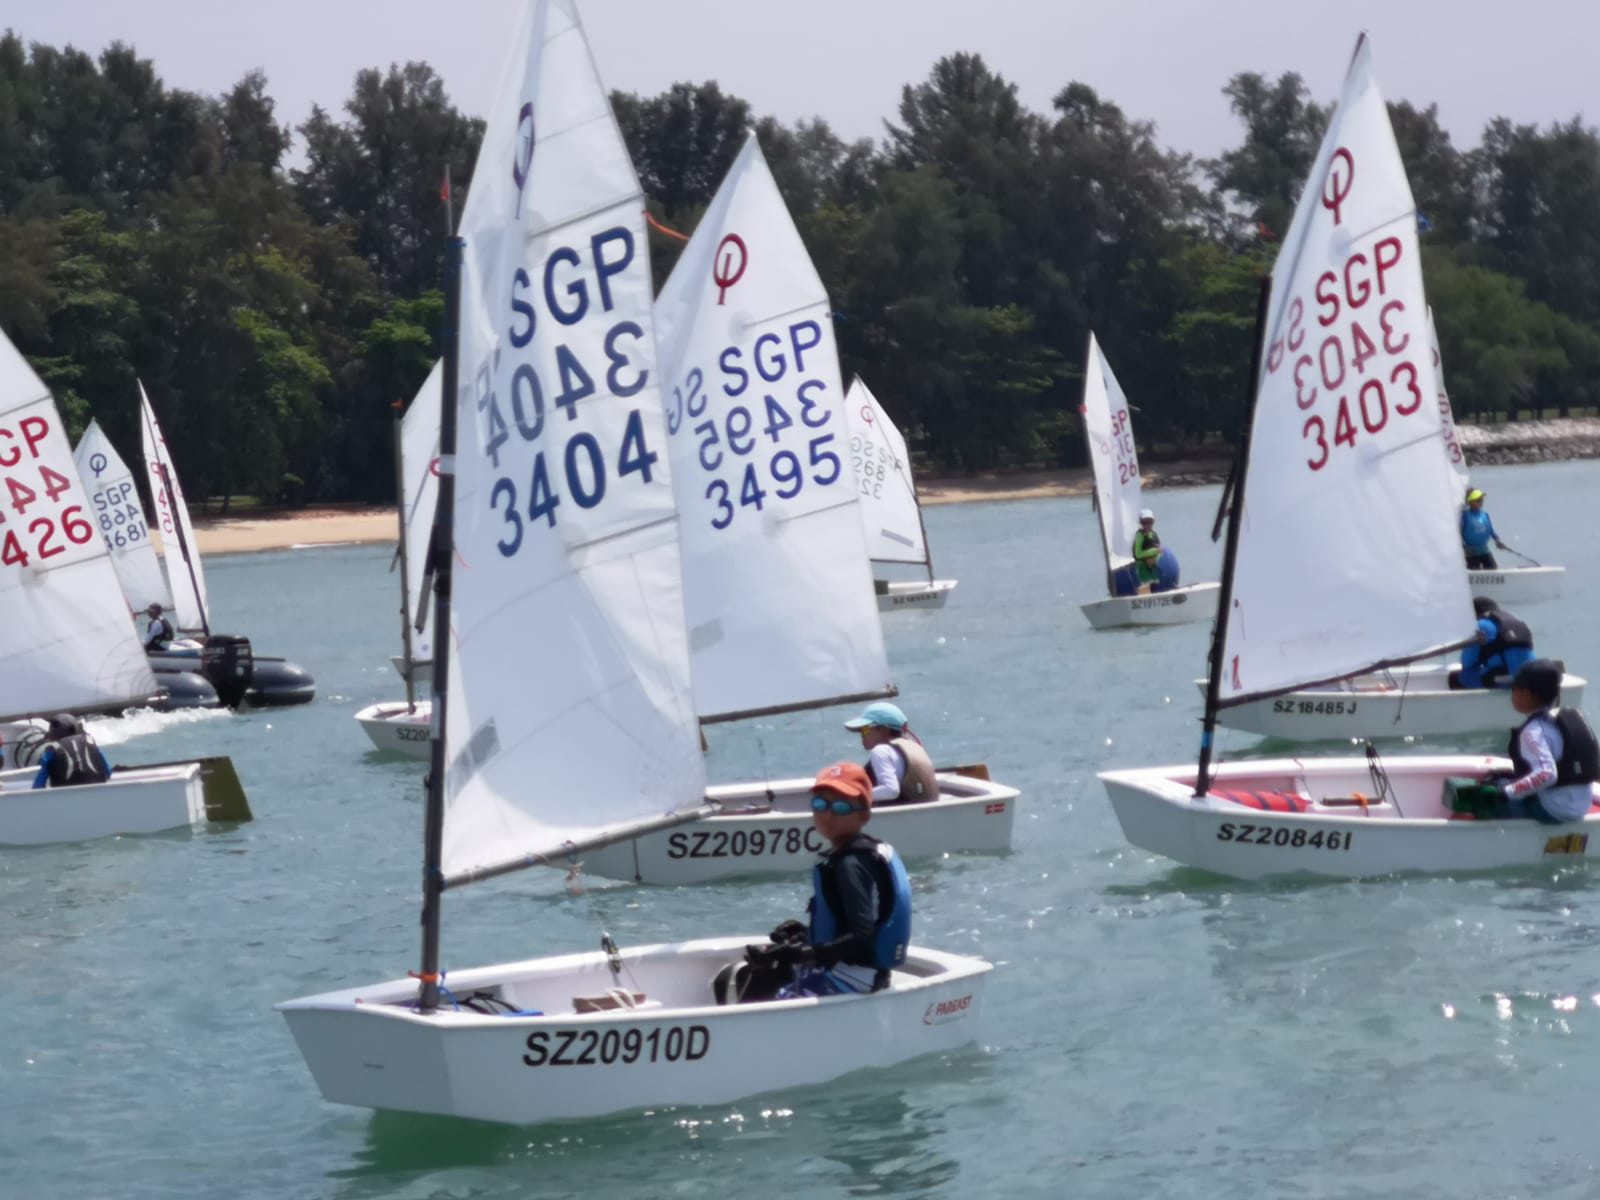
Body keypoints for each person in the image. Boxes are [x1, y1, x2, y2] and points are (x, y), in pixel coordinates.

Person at [719, 762, 911, 1003]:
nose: (828, 814)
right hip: (854, 972)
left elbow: (861, 934)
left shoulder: (851, 863)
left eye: (841, 807)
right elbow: (847, 925)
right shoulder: (856, 856)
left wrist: (805, 953)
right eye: (820, 804)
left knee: (766, 997)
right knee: (756, 975)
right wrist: (804, 934)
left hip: (852, 979)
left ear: (864, 815)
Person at [1491, 659, 1597, 823]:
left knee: (1491, 797)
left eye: (1513, 688)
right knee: (1506, 781)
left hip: (1553, 810)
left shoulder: (1533, 731)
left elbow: (1547, 774)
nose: (1511, 694)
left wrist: (1505, 793)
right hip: (1581, 806)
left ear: (1527, 694)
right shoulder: (1572, 719)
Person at [844, 701, 939, 805]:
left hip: (902, 812)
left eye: (865, 729)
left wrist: (853, 797)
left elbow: (891, 790)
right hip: (924, 809)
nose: (862, 734)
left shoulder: (881, 751)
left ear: (884, 730)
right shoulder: (913, 746)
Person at [1448, 597, 1534, 690]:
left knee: (1457, 677)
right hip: (1529, 677)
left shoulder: (1479, 626)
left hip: (1505, 679)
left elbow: (1467, 663)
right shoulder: (1518, 622)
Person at [32, 714, 112, 789]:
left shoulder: (53, 749)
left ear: (53, 733)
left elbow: (39, 784)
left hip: (66, 794)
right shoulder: (89, 741)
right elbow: (108, 772)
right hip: (97, 789)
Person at [1460, 487, 1509, 569]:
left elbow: (1491, 531)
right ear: (1471, 502)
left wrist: (1497, 540)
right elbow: (1459, 533)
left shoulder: (1485, 515)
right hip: (1471, 552)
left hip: (1484, 550)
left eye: (1481, 499)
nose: (1481, 502)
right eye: (1478, 500)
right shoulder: (1465, 516)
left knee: (1493, 568)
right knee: (1475, 571)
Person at [1132, 509, 1163, 592]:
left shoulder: (1154, 534)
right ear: (1141, 523)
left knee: (1156, 587)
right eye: (1145, 522)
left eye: (1150, 522)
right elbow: (1138, 554)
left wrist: (1156, 557)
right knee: (1146, 588)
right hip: (1143, 569)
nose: (1148, 525)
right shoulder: (1140, 535)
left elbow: (1158, 551)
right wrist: (1154, 551)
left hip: (1153, 568)